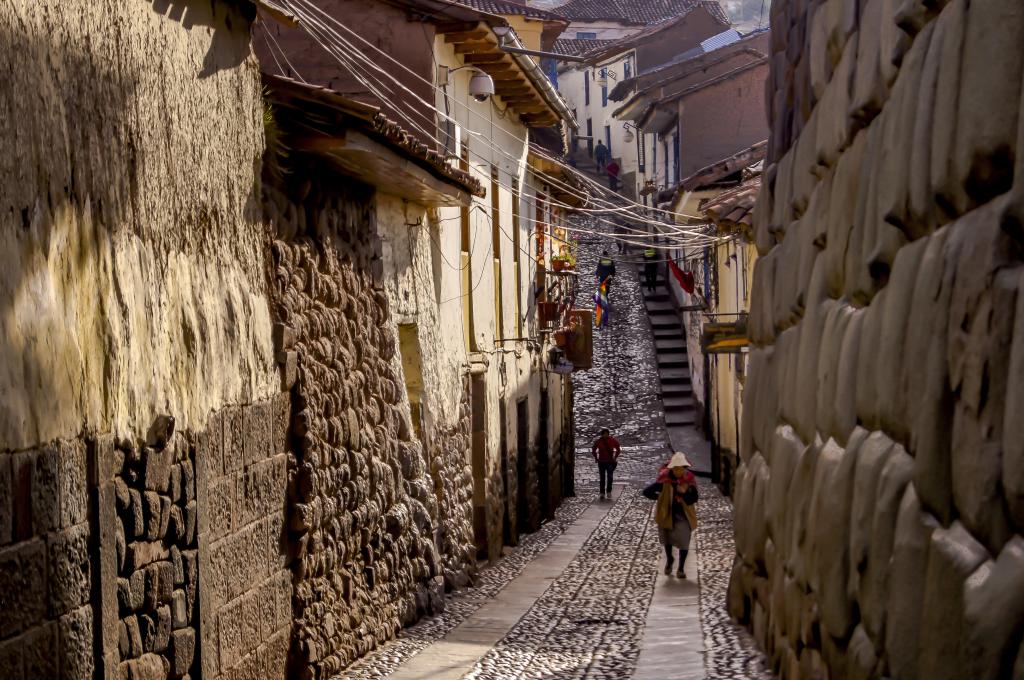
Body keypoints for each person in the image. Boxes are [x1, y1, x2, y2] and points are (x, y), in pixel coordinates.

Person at [642, 452, 698, 577]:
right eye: (677, 468)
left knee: (684, 540)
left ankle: (681, 568)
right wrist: (661, 498)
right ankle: (669, 560)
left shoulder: (689, 480)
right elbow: (647, 492)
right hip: (667, 514)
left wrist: (683, 493)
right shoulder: (664, 480)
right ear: (672, 468)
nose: (680, 471)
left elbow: (693, 498)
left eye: (682, 468)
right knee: (667, 539)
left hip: (683, 515)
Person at [591, 428, 621, 500]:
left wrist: (615, 457)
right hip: (601, 461)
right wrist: (596, 458)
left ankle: (609, 491)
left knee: (610, 477)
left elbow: (618, 449)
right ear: (602, 434)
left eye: (606, 434)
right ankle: (602, 493)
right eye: (604, 434)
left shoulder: (612, 440)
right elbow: (593, 449)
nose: (605, 435)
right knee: (602, 478)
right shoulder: (599, 441)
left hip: (610, 461)